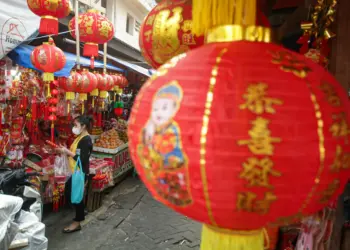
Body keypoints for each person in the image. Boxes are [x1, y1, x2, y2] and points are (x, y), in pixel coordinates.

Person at [56, 115, 93, 233]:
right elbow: (75, 154)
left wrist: (67, 152)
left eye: (76, 125)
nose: (74, 127)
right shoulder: (79, 137)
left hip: (80, 172)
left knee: (76, 198)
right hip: (75, 171)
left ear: (84, 126)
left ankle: (77, 222)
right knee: (73, 195)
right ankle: (80, 213)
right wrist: (65, 151)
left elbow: (82, 160)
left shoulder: (86, 140)